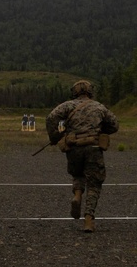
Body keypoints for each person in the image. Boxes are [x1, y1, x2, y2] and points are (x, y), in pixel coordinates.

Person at [46, 80, 119, 233]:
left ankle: (77, 195)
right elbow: (114, 125)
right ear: (90, 92)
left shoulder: (67, 106)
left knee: (78, 175)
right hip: (93, 146)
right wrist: (99, 128)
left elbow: (51, 117)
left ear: (75, 92)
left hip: (74, 147)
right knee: (94, 183)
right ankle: (88, 220)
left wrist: (55, 137)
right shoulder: (99, 106)